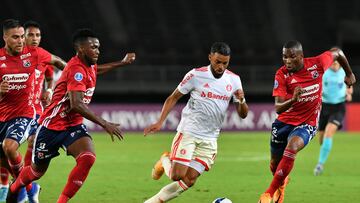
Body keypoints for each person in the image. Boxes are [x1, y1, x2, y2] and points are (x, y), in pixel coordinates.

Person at [6, 28, 135, 203]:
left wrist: (121, 62)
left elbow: (97, 70)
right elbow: (77, 104)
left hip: (72, 125)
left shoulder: (88, 65)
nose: (98, 51)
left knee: (88, 158)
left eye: (98, 47)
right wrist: (104, 123)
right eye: (94, 47)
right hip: (51, 127)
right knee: (36, 172)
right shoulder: (76, 69)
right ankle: (15, 187)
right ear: (81, 49)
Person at [143, 42, 249, 203]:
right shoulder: (195, 75)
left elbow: (243, 114)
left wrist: (241, 101)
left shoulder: (234, 80)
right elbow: (173, 98)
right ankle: (165, 159)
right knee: (176, 175)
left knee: (189, 180)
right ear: (210, 57)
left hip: (210, 139)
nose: (221, 66)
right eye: (217, 62)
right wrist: (159, 122)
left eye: (225, 63)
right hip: (189, 133)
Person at [258, 40, 356, 203]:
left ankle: (269, 193)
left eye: (292, 57)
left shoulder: (317, 64)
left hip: (307, 123)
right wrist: (293, 99)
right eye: (284, 57)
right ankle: (281, 185)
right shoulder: (281, 74)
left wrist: (349, 73)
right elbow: (278, 108)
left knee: (293, 146)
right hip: (283, 123)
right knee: (275, 165)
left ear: (301, 56)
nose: (287, 61)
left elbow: (337, 52)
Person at [0, 18, 67, 202]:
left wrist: (75, 73)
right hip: (2, 115)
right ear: (5, 37)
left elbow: (58, 62)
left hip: (26, 113)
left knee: (10, 146)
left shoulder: (35, 54)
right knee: (3, 158)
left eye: (22, 36)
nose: (21, 41)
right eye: (16, 37)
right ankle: (30, 187)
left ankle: (20, 189)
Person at [313, 60, 354, 176]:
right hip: (324, 107)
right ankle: (324, 149)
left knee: (328, 133)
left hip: (339, 107)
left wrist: (349, 93)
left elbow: (350, 87)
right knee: (321, 138)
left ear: (340, 63)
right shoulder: (324, 72)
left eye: (337, 63)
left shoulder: (345, 73)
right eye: (333, 63)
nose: (335, 65)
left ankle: (320, 164)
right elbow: (317, 86)